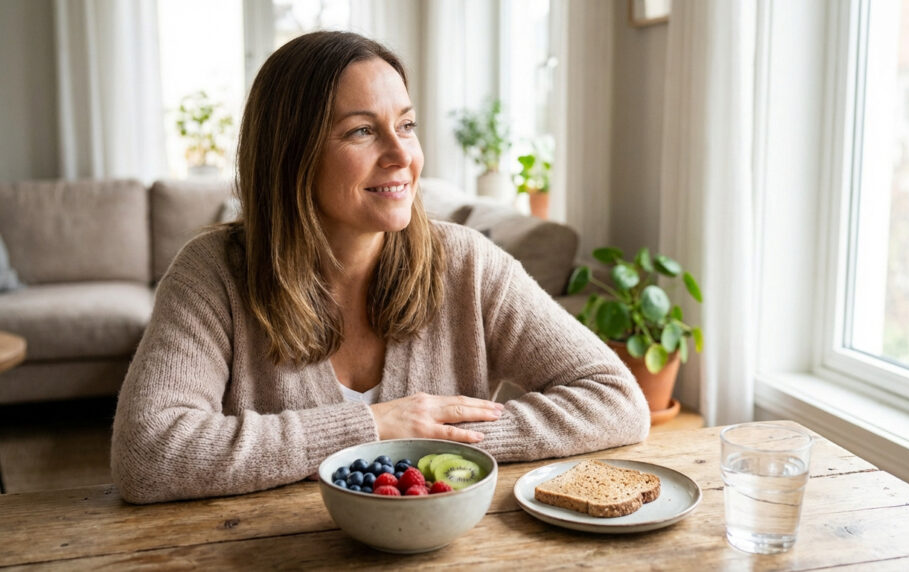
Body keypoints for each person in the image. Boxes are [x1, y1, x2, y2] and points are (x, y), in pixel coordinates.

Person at [111, 31, 649, 504]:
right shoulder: (212, 274)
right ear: (290, 154)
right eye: (361, 131)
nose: (401, 155)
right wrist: (370, 426)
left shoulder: (466, 262)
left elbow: (616, 400)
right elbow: (148, 453)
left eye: (407, 124)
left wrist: (432, 440)